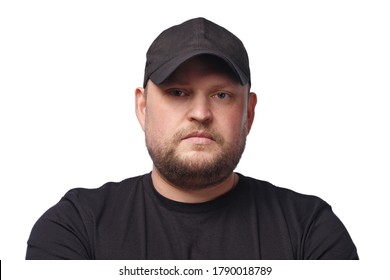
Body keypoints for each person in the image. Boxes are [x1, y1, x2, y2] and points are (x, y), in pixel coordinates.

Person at [26, 17, 358, 260]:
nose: (200, 112)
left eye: (222, 95)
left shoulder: (309, 230)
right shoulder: (75, 227)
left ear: (249, 113)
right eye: (178, 92)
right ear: (142, 107)